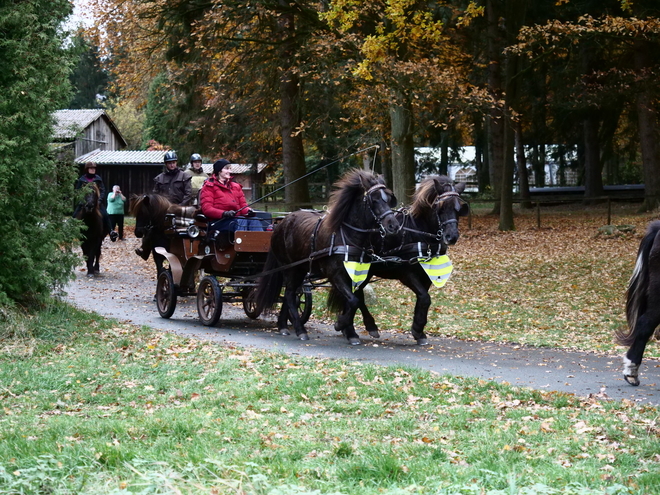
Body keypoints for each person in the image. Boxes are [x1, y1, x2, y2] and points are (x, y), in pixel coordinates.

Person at [200, 159, 262, 236]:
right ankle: (242, 246)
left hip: (236, 219)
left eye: (230, 169)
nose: (229, 171)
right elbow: (207, 209)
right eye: (226, 168)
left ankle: (260, 246)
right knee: (240, 222)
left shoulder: (236, 187)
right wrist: (224, 213)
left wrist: (248, 211)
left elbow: (243, 206)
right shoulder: (209, 187)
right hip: (218, 221)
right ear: (219, 171)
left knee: (254, 220)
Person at [74, 162, 118, 242]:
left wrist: (99, 200)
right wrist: (81, 201)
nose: (93, 170)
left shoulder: (98, 179)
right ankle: (71, 231)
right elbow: (77, 191)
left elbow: (102, 190)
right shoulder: (82, 180)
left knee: (105, 215)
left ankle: (111, 231)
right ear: (87, 169)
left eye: (94, 168)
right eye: (91, 168)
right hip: (84, 202)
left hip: (96, 203)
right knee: (75, 214)